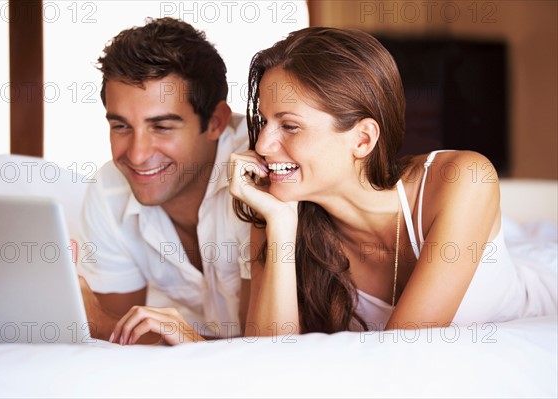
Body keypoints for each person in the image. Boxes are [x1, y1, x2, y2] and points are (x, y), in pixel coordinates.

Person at [228, 27, 557, 335]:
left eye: (290, 126)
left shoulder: (463, 178)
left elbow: (402, 352)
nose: (261, 146)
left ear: (363, 139)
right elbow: (268, 361)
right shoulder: (276, 208)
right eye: (265, 121)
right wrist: (281, 226)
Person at [78, 17, 251, 345]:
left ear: (215, 122)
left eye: (162, 127)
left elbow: (266, 356)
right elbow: (124, 343)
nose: (138, 155)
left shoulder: (260, 172)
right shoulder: (108, 190)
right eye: (121, 126)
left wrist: (98, 322)